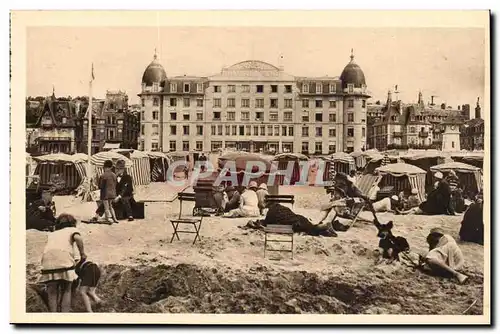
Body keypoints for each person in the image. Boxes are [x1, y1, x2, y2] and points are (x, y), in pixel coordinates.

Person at [38, 213, 86, 312]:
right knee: (67, 289)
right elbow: (78, 238)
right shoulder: (72, 230)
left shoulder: (52, 234)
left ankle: (53, 317)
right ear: (72, 223)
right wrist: (82, 254)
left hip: (47, 259)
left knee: (52, 292)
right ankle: (64, 316)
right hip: (63, 258)